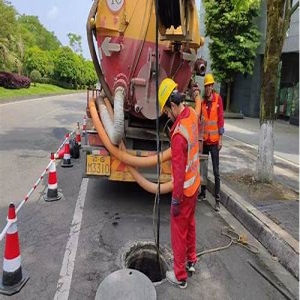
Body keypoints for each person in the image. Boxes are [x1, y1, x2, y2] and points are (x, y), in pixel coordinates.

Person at [158, 78, 200, 289]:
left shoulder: (177, 136)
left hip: (184, 191)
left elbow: (178, 172)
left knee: (178, 230)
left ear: (173, 105)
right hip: (195, 186)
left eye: (166, 111)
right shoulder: (192, 114)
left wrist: (175, 200)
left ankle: (180, 275)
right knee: (190, 224)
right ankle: (192, 260)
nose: (167, 115)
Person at [198, 73, 224, 212]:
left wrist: (221, 139)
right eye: (207, 86)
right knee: (203, 169)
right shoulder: (202, 102)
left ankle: (217, 200)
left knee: (216, 171)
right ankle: (202, 193)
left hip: (214, 141)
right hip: (204, 141)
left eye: (210, 85)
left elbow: (220, 120)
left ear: (213, 86)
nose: (208, 88)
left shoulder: (218, 100)